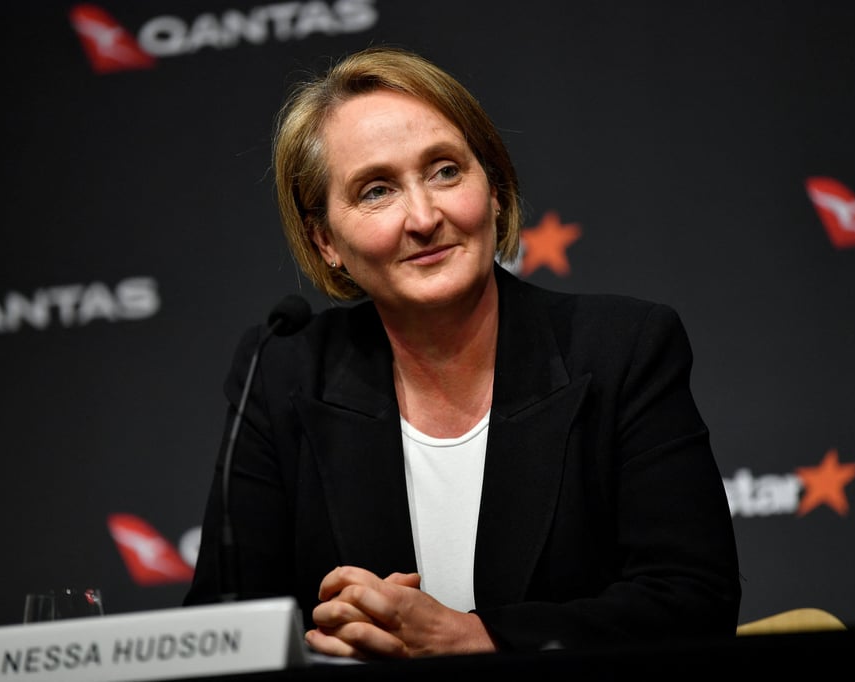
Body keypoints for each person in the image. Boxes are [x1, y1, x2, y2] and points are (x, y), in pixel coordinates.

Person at [184, 45, 741, 659]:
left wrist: (475, 639)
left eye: (445, 170)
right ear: (325, 243)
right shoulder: (283, 373)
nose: (423, 217)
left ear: (495, 190)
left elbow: (695, 601)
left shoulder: (622, 349)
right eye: (375, 191)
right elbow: (220, 634)